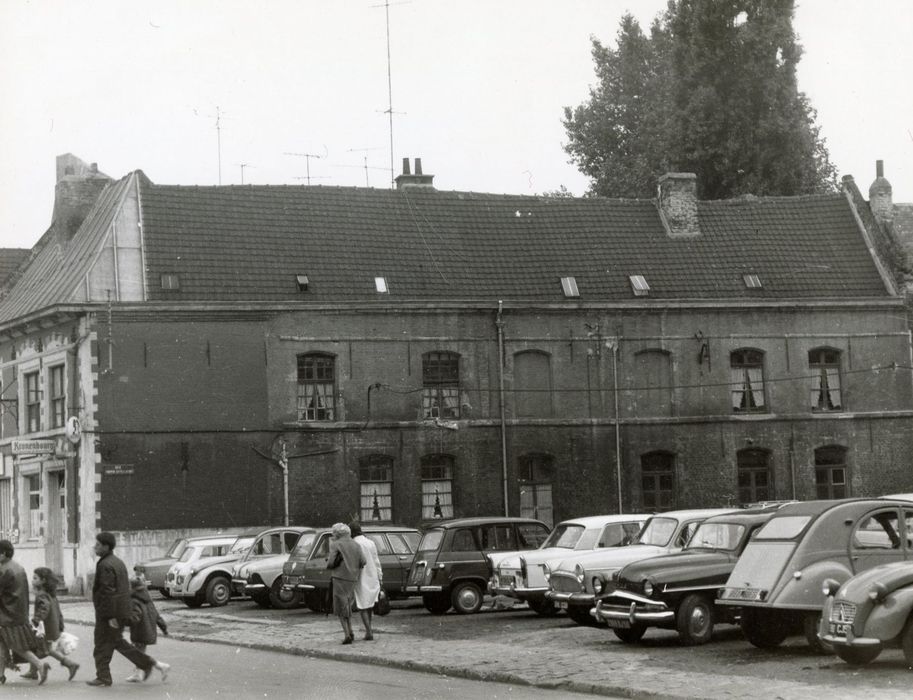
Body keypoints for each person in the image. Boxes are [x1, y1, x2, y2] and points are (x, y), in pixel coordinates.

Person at [87, 532, 169, 687]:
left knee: (101, 645)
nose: (95, 547)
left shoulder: (105, 565)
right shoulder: (117, 562)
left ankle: (104, 676)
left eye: (97, 545)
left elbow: (108, 591)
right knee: (117, 643)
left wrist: (111, 616)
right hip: (119, 612)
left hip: (109, 615)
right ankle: (145, 664)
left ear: (106, 546)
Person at [0, 539, 48, 685]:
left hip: (6, 614)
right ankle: (1, 675)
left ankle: (40, 665)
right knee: (3, 644)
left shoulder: (4, 569)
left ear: (3, 554)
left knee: (15, 645)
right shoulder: (18, 567)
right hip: (17, 612)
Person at [22, 567, 79, 682]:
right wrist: (60, 623)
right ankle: (33, 671)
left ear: (43, 580)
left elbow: (44, 608)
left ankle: (69, 664)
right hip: (52, 626)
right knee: (41, 648)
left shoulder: (42, 594)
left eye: (35, 578)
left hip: (44, 627)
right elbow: (57, 610)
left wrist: (36, 620)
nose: (32, 580)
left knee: (43, 650)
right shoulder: (51, 594)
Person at [325, 523, 365, 645]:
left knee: (340, 606)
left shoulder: (335, 544)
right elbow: (363, 561)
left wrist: (329, 563)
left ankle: (347, 634)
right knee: (348, 604)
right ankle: (351, 630)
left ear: (336, 533)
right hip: (352, 578)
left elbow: (331, 563)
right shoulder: (356, 544)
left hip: (339, 577)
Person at [125, 575, 169, 682]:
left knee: (136, 654)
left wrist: (126, 622)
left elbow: (135, 616)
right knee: (139, 654)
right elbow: (156, 615)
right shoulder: (147, 598)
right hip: (148, 632)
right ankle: (138, 674)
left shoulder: (134, 600)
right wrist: (164, 628)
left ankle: (161, 666)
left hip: (139, 632)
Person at [349, 523, 382, 641]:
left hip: (361, 576)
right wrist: (380, 576)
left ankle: (369, 631)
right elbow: (376, 560)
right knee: (369, 604)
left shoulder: (353, 544)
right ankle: (369, 628)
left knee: (362, 604)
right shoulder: (370, 542)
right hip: (372, 574)